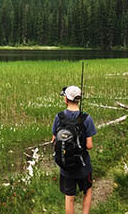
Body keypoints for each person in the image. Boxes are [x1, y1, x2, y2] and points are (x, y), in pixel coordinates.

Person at [52, 85, 97, 214]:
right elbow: (89, 145)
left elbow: (55, 139)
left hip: (66, 166)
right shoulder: (86, 118)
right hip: (83, 165)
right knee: (87, 191)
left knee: (69, 197)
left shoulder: (59, 117)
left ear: (66, 99)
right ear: (79, 100)